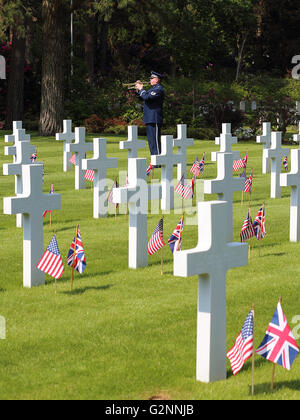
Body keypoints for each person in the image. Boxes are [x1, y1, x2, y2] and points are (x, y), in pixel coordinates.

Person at [135, 71, 164, 156]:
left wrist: (141, 89)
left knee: (155, 140)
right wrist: (138, 90)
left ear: (157, 79)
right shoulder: (152, 89)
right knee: (151, 141)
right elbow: (143, 97)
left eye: (152, 78)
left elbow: (147, 97)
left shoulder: (158, 89)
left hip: (154, 118)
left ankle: (158, 161)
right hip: (149, 118)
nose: (150, 80)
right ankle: (154, 160)